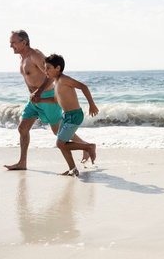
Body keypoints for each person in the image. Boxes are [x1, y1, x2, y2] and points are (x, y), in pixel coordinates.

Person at [5, 30, 89, 170]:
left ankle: (85, 147)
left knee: (58, 132)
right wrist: (34, 94)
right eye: (10, 43)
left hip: (47, 97)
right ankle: (22, 163)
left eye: (13, 42)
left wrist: (39, 92)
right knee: (22, 128)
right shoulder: (22, 58)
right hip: (34, 101)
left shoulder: (35, 55)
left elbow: (51, 76)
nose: (11, 46)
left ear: (24, 42)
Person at [44, 54, 98, 176]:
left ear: (57, 68)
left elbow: (83, 87)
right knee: (62, 142)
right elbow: (55, 100)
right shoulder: (56, 81)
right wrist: (39, 100)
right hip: (66, 115)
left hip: (74, 115)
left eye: (48, 68)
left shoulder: (64, 79)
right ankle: (72, 169)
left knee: (60, 143)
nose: (45, 71)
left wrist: (92, 104)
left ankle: (89, 147)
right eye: (45, 68)